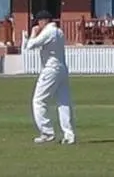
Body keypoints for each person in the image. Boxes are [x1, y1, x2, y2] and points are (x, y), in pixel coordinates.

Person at [24, 10, 76, 144]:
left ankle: (47, 132)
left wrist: (33, 33)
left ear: (43, 21)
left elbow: (30, 46)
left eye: (38, 22)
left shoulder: (48, 31)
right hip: (62, 69)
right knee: (63, 102)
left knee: (39, 101)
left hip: (50, 69)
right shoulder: (59, 31)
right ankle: (69, 135)